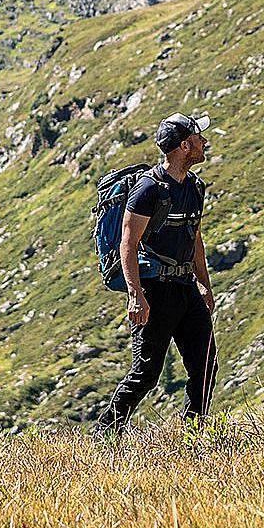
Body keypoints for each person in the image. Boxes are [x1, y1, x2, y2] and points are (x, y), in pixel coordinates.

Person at [99, 112, 217, 433]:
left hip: (186, 288)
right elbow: (128, 243)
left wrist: (204, 285)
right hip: (155, 291)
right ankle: (106, 433)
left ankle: (191, 436)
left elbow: (194, 237)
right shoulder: (147, 190)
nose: (204, 142)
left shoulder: (195, 186)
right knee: (146, 375)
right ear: (184, 146)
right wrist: (135, 295)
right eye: (198, 139)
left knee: (205, 368)